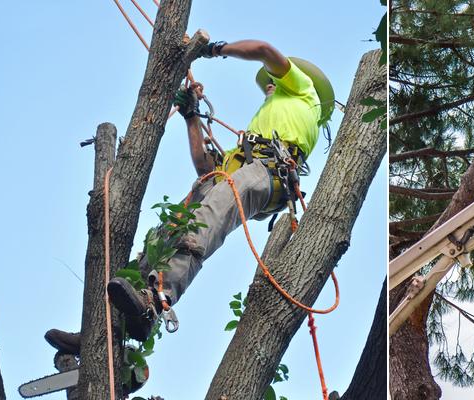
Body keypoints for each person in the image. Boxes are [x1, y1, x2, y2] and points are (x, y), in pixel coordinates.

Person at [45, 39, 335, 349]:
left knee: (207, 220)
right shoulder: (257, 133)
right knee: (162, 236)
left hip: (269, 171)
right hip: (244, 169)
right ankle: (101, 329)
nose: (268, 87)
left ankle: (158, 299)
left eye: (273, 81)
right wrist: (191, 116)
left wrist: (212, 49)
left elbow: (264, 50)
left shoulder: (305, 92)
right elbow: (204, 166)